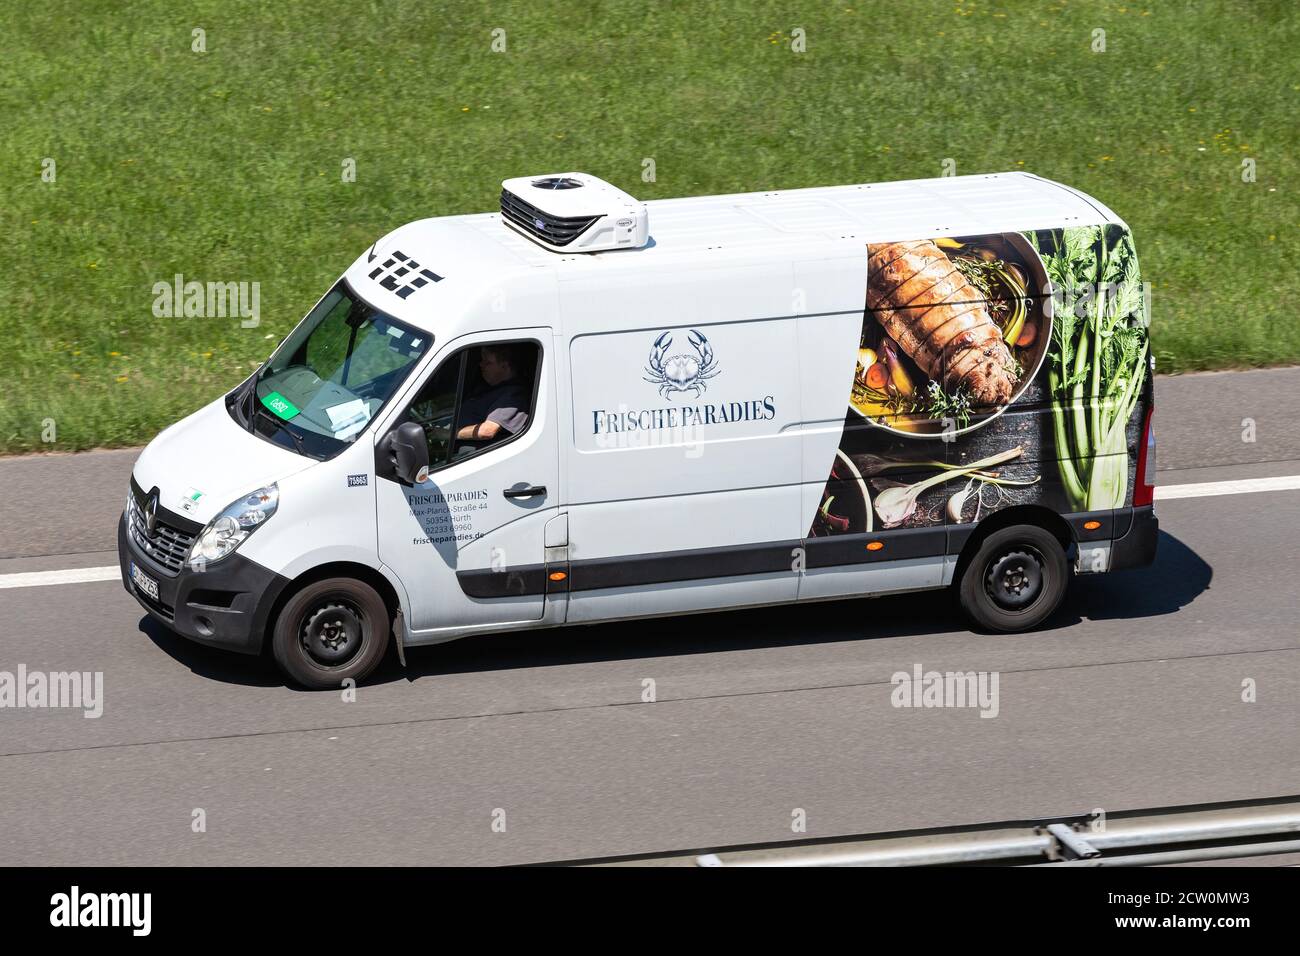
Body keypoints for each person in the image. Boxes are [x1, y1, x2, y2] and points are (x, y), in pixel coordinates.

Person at [454, 344, 531, 445]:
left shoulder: (513, 395)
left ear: (504, 366)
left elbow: (487, 431)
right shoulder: (487, 387)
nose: (481, 364)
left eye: (487, 362)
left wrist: (449, 434)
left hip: (471, 456)